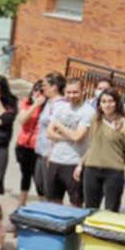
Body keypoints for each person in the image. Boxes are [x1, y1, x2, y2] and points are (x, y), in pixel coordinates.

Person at [37, 76, 94, 205]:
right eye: (69, 92)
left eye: (75, 92)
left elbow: (78, 137)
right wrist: (67, 135)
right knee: (53, 201)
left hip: (74, 162)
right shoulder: (60, 108)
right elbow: (49, 133)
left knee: (76, 203)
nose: (71, 95)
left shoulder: (88, 111)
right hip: (56, 160)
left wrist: (59, 125)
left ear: (83, 91)